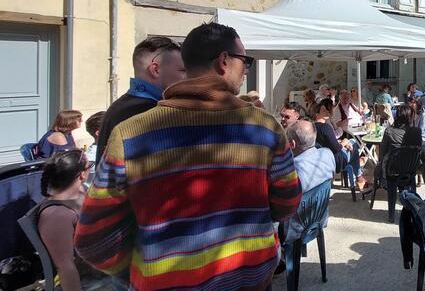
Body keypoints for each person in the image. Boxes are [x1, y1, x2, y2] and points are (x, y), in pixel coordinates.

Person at [75, 22, 301, 290]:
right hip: (250, 278)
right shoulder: (264, 127)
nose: (246, 69)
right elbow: (287, 203)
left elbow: (93, 239)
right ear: (224, 61)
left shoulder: (130, 133)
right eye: (245, 60)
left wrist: (144, 267)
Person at [94, 36, 185, 164]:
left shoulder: (118, 107)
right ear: (156, 70)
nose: (187, 77)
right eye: (182, 70)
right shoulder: (151, 113)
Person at [35, 149, 101, 291]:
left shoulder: (81, 191)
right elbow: (66, 267)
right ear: (82, 174)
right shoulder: (57, 215)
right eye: (89, 166)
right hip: (93, 278)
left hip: (104, 266)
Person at [282, 121, 335, 244]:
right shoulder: (327, 154)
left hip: (295, 229)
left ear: (292, 144)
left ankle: (278, 257)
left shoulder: (292, 170)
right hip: (319, 219)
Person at [287, 121, 336, 193]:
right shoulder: (328, 153)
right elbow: (332, 178)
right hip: (322, 202)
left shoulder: (292, 168)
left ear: (292, 144)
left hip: (299, 203)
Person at [309, 99, 349, 175]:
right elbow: (336, 148)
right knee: (354, 145)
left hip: (322, 159)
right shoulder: (325, 127)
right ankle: (358, 172)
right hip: (334, 159)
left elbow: (325, 142)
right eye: (323, 110)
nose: (327, 111)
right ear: (316, 114)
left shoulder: (312, 127)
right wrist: (344, 142)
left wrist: (340, 142)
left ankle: (355, 175)